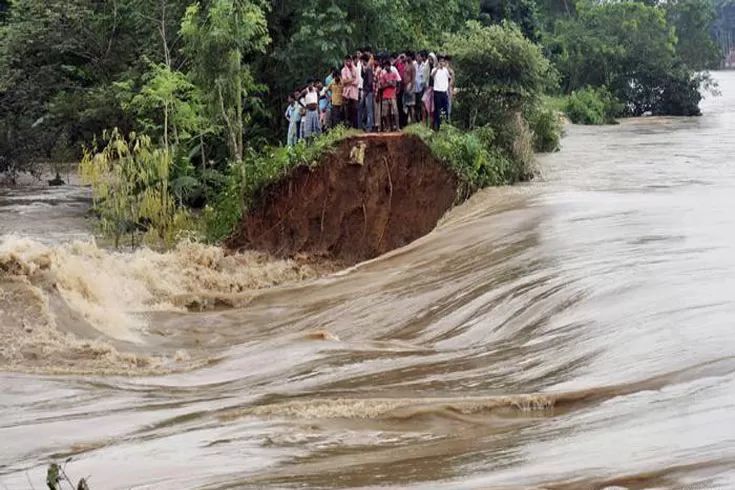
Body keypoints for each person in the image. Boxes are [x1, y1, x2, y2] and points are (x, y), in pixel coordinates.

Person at [432, 56, 451, 130]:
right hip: (437, 92)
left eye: (443, 61)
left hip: (444, 92)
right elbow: (432, 75)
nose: (441, 63)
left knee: (445, 109)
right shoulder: (434, 69)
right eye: (440, 61)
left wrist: (447, 66)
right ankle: (438, 127)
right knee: (437, 110)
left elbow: (450, 76)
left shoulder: (446, 70)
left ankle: (445, 126)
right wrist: (437, 67)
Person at [379, 59, 399, 132]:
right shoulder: (383, 75)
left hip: (392, 95)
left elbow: (394, 85)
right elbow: (381, 86)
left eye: (387, 66)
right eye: (385, 66)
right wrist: (388, 84)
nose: (386, 67)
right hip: (385, 95)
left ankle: (397, 127)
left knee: (395, 111)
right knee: (385, 113)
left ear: (390, 66)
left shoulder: (394, 74)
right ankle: (388, 127)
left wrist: (387, 84)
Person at [341, 55, 359, 128]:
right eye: (347, 61)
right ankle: (348, 127)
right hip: (346, 93)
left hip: (354, 93)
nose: (348, 62)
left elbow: (357, 81)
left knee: (354, 110)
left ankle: (355, 127)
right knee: (347, 111)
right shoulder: (343, 70)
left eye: (349, 60)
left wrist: (349, 81)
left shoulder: (356, 69)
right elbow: (344, 82)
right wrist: (352, 80)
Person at [402, 52, 417, 125]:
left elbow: (413, 79)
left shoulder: (412, 67)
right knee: (407, 106)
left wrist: (411, 88)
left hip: (410, 86)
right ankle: (408, 122)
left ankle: (413, 122)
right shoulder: (406, 65)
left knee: (411, 106)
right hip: (406, 86)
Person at [361, 53, 374, 131]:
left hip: (368, 92)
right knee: (366, 109)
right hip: (367, 91)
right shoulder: (367, 69)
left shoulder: (369, 69)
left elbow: (369, 82)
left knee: (369, 110)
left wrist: (366, 91)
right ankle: (367, 125)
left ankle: (369, 127)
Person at [414, 52, 424, 122]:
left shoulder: (424, 66)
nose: (418, 58)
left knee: (420, 104)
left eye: (419, 57)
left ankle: (421, 119)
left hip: (421, 88)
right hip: (414, 88)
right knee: (415, 104)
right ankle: (416, 119)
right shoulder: (414, 64)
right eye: (417, 57)